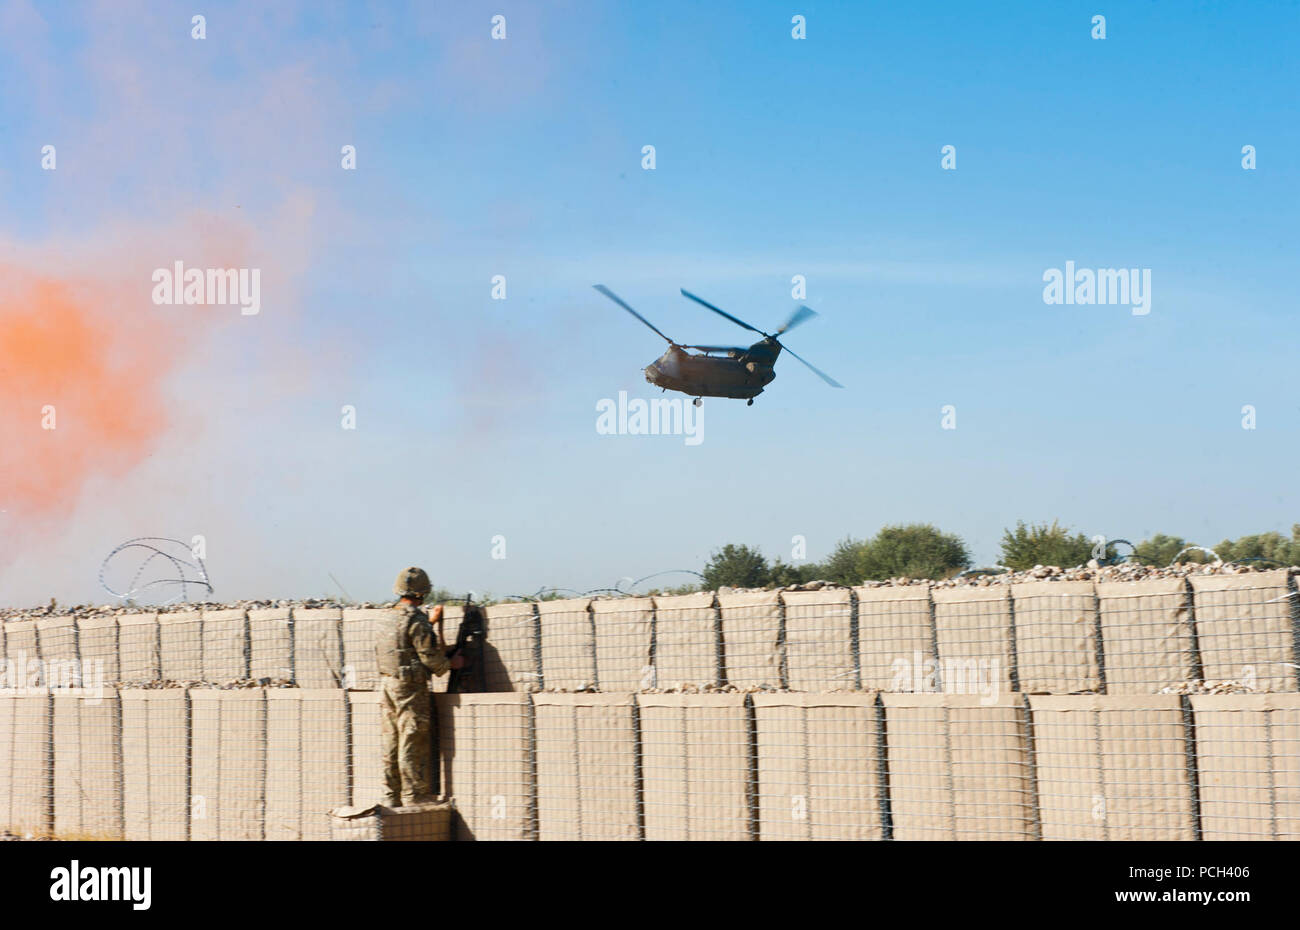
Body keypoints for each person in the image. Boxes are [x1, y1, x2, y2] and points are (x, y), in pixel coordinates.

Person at [376, 566, 464, 806]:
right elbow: (428, 657)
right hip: (410, 688)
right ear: (423, 593)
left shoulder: (386, 615)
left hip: (388, 685)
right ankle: (413, 797)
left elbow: (404, 644)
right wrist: (450, 664)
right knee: (412, 739)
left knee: (391, 739)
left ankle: (390, 797)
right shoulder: (416, 620)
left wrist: (430, 623)